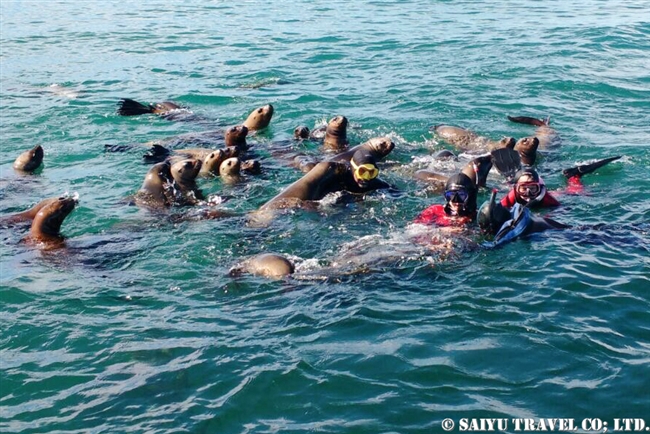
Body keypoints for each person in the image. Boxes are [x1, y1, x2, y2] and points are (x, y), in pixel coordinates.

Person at [501, 156, 621, 209]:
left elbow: (559, 211)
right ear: (516, 189)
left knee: (577, 192)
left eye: (533, 188)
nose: (528, 192)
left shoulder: (546, 198)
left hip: (556, 195)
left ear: (540, 188)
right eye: (523, 188)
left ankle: (574, 175)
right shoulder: (512, 197)